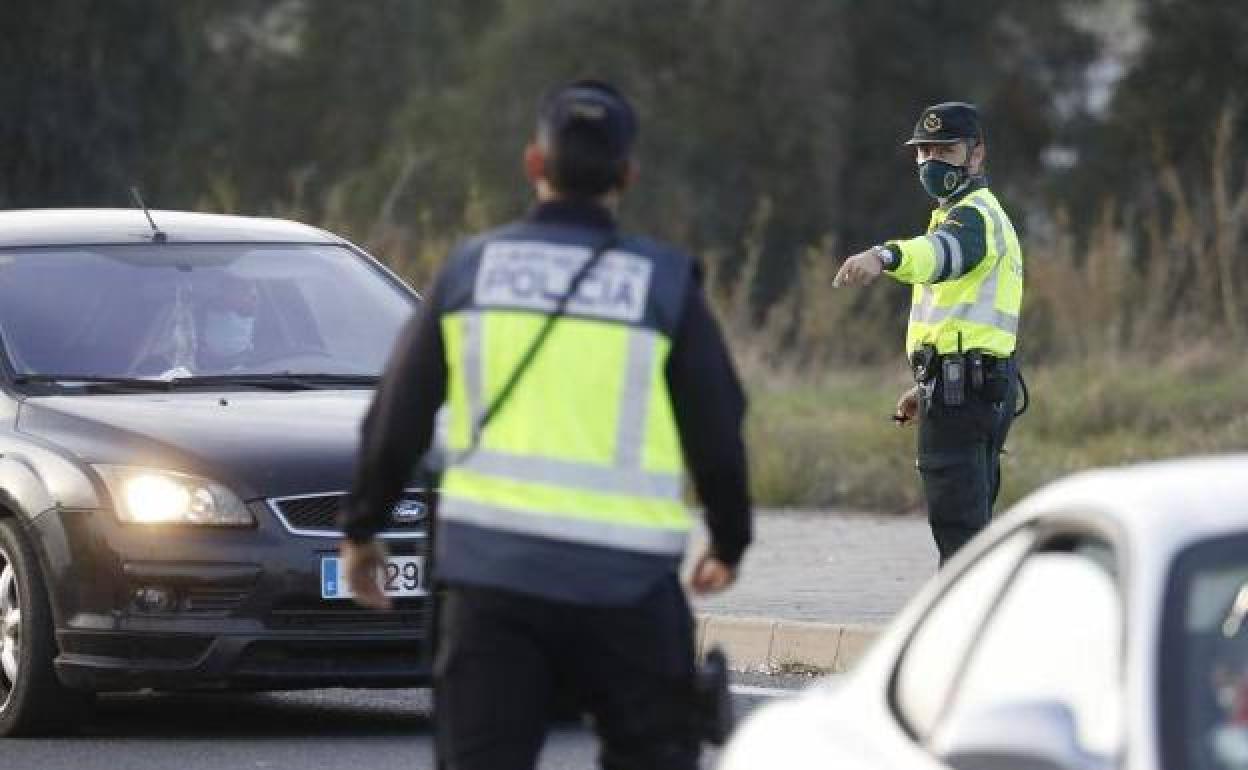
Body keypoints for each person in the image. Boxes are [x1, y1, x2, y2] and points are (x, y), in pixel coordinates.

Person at [338, 79, 753, 770]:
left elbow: (397, 415)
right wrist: (729, 539)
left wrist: (362, 530)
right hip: (628, 590)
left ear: (535, 164)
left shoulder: (472, 270)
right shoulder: (664, 283)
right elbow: (718, 422)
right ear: (627, 174)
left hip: (491, 589)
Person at [832, 101, 1024, 565]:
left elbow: (941, 255)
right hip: (969, 388)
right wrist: (928, 383)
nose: (932, 162)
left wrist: (884, 256)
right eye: (924, 152)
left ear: (976, 155)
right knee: (970, 533)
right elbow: (965, 321)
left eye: (945, 150)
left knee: (961, 545)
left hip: (966, 397)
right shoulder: (968, 214)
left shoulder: (973, 218)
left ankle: (962, 634)